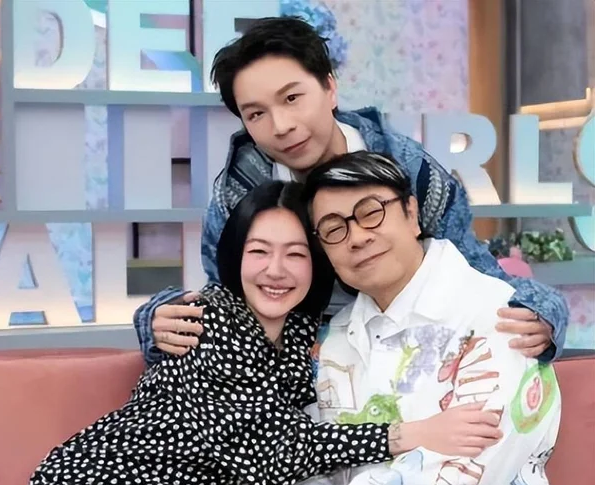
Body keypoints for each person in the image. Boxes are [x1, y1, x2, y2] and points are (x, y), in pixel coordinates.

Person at [16, 181, 503, 485]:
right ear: (235, 257)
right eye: (259, 252)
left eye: (296, 254)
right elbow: (272, 453)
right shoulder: (208, 320)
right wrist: (412, 433)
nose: (276, 270)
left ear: (316, 263)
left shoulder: (302, 333)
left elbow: (300, 438)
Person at [136, 16, 567, 365]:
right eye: (256, 114)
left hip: (409, 355)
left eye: (292, 98)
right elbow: (226, 295)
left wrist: (544, 315)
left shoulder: (410, 170)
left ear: (329, 87)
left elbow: (476, 274)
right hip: (295, 371)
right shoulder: (240, 191)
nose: (281, 126)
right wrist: (158, 320)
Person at [233, 152, 562, 485]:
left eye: (371, 212)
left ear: (411, 213)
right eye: (334, 229)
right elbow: (324, 459)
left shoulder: (501, 315)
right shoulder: (334, 340)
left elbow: (463, 472)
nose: (357, 237)